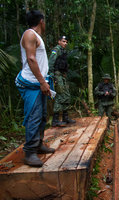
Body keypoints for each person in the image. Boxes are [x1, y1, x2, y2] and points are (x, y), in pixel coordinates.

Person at [15, 10, 55, 167]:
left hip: (39, 83)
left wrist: (45, 80)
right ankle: (30, 152)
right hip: (32, 83)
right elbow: (31, 59)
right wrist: (42, 81)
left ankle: (38, 144)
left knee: (43, 115)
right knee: (34, 116)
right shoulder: (29, 34)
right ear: (41, 21)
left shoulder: (35, 36)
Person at [48, 36, 75, 126]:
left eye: (66, 42)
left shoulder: (63, 51)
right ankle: (55, 120)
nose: (65, 43)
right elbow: (51, 63)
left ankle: (65, 117)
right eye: (63, 41)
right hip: (57, 75)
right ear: (59, 41)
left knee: (66, 95)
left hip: (62, 76)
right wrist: (53, 77)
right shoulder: (56, 50)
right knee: (60, 96)